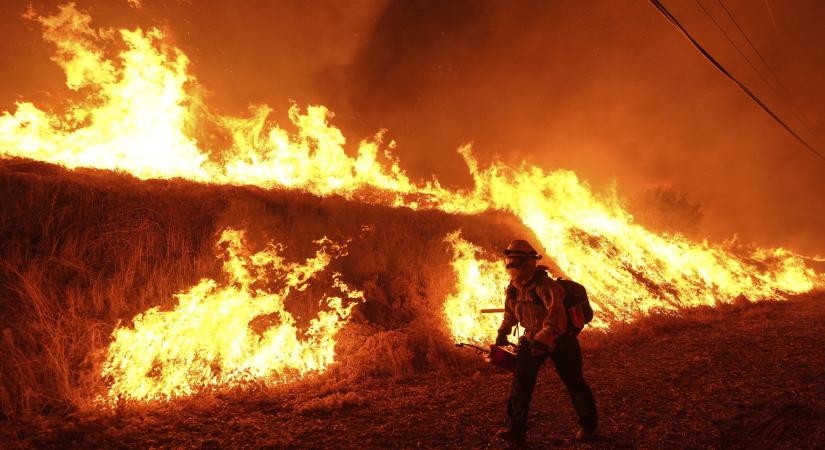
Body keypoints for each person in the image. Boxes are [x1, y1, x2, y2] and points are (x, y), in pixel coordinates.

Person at [491, 239, 597, 447]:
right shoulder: (513, 288)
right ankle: (516, 430)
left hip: (560, 341)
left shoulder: (546, 286)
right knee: (521, 384)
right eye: (510, 262)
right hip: (532, 339)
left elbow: (556, 317)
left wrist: (543, 340)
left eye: (515, 262)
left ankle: (588, 425)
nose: (511, 267)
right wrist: (503, 331)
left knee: (574, 381)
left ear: (528, 262)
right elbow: (510, 312)